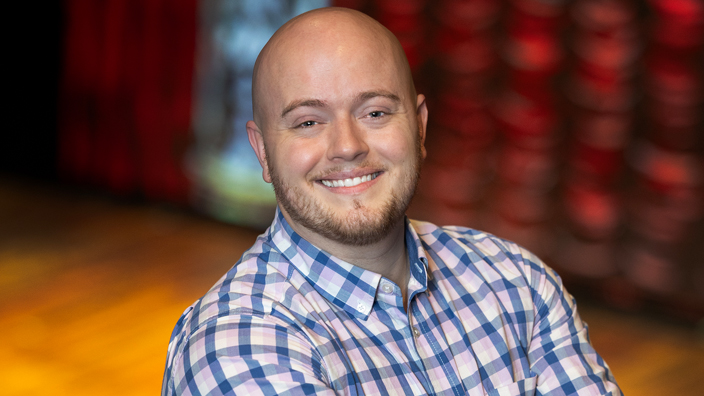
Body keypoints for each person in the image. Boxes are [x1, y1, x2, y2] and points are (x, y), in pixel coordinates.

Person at [162, 7, 621, 396]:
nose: (347, 146)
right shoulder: (233, 343)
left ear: (419, 128)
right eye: (307, 122)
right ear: (262, 152)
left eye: (375, 112)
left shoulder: (518, 283)